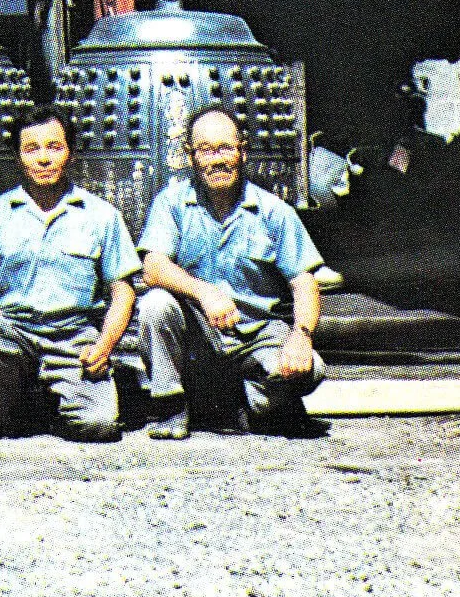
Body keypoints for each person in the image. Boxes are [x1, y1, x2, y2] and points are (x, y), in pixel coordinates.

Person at [137, 106, 328, 439]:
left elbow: (304, 282)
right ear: (190, 156)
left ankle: (240, 404)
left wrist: (301, 336)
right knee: (156, 304)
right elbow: (153, 268)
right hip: (198, 337)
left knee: (310, 368)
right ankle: (171, 408)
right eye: (206, 150)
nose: (217, 160)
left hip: (256, 335)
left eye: (225, 148)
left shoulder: (274, 211)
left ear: (243, 151)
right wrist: (204, 292)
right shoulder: (171, 203)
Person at [0, 107, 140, 443]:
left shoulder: (101, 216)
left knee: (100, 426)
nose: (43, 158)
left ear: (70, 153)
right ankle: (18, 411)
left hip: (73, 337)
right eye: (32, 149)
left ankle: (52, 406)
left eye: (54, 147)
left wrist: (105, 345)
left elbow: (123, 291)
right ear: (18, 157)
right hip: (11, 333)